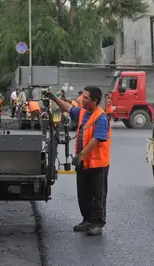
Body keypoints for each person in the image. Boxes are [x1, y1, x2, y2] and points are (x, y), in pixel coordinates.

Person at [46, 86, 110, 236]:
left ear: (95, 101)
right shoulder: (82, 112)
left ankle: (97, 223)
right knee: (83, 193)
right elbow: (68, 107)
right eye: (84, 97)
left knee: (97, 194)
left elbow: (97, 139)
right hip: (83, 163)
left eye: (87, 98)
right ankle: (87, 220)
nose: (83, 99)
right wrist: (55, 99)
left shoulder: (101, 117)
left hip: (97, 164)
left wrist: (81, 155)